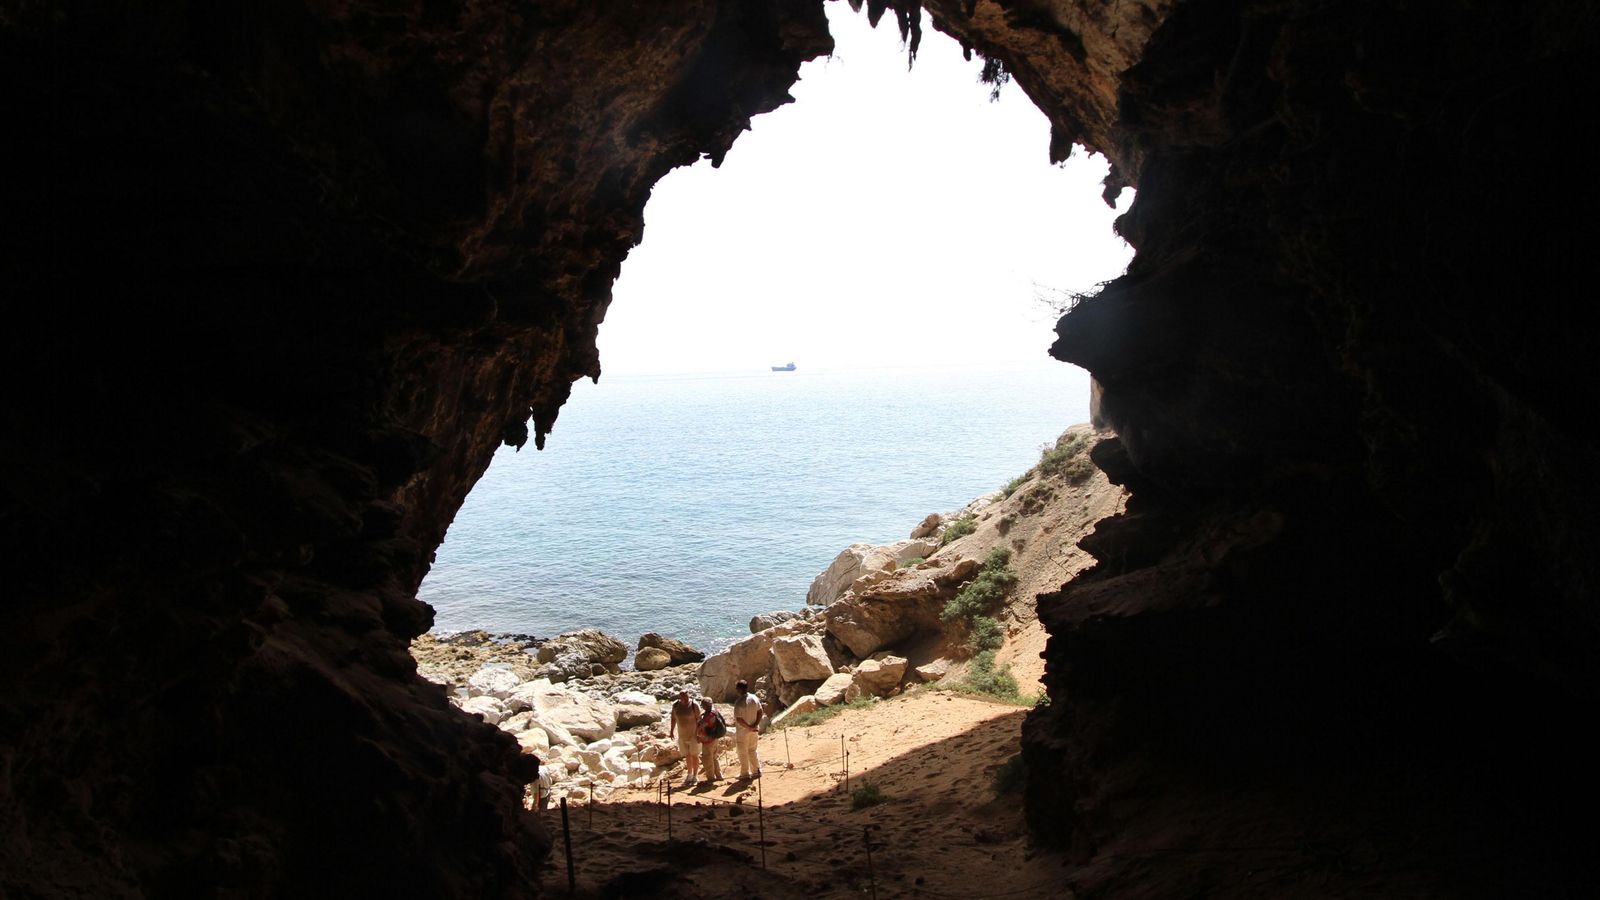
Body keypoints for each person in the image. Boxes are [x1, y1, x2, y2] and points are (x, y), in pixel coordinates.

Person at [732, 679, 763, 780]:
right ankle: (756, 770)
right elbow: (760, 711)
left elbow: (739, 719)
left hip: (743, 732)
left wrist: (749, 727)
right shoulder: (754, 698)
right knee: (752, 750)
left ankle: (744, 773)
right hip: (754, 729)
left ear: (739, 689)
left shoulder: (739, 703)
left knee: (742, 752)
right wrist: (755, 724)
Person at [668, 690, 699, 786]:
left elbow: (699, 719)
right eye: (683, 697)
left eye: (686, 696)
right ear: (680, 698)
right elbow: (673, 718)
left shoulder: (694, 705)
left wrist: (699, 732)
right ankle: (689, 774)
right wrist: (672, 730)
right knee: (687, 755)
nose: (685, 699)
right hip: (682, 735)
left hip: (694, 734)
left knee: (695, 754)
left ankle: (695, 775)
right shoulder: (676, 705)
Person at [695, 697, 723, 783]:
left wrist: (696, 734)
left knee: (707, 759)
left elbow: (701, 726)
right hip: (715, 738)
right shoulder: (715, 712)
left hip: (708, 740)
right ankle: (718, 775)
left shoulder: (708, 716)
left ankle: (711, 778)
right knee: (714, 757)